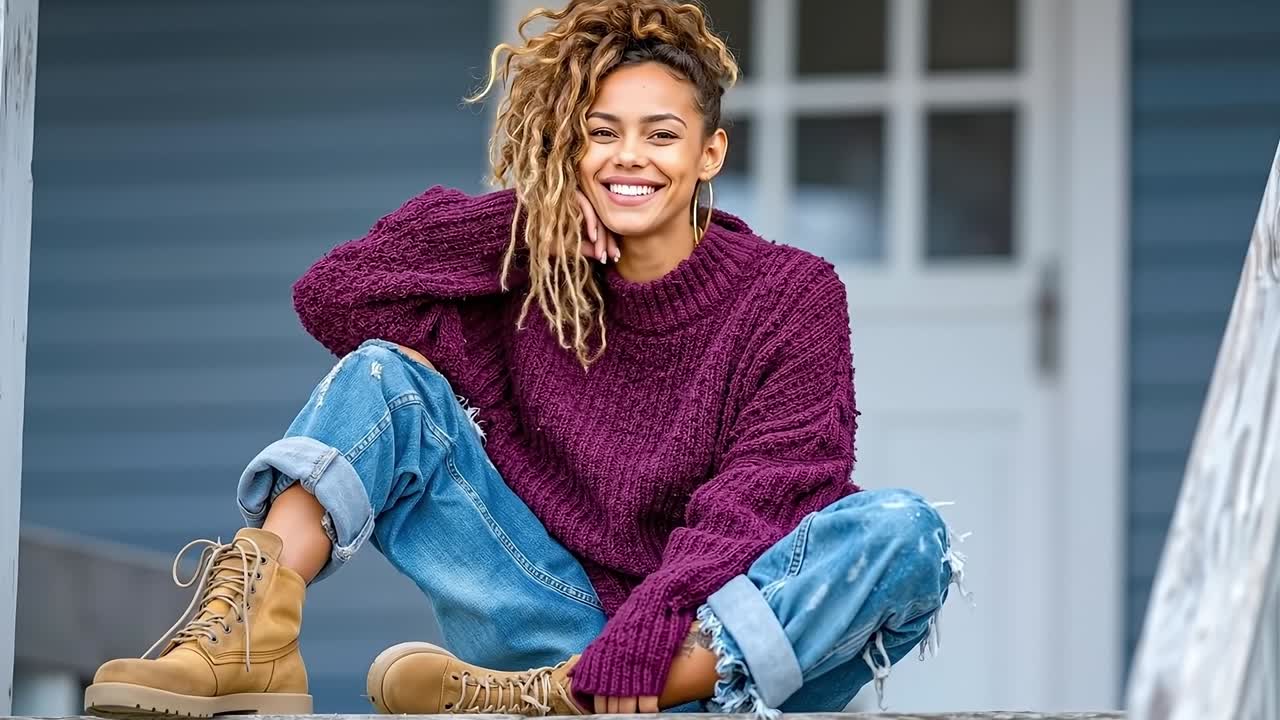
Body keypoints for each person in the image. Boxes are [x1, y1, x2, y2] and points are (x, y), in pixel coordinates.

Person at [83, 1, 964, 717]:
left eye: (661, 135)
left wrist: (655, 625)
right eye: (601, 133)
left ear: (710, 153)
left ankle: (588, 699)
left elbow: (769, 489)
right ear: (572, 147)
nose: (629, 157)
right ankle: (247, 641)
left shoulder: (790, 293)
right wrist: (520, 223)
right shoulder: (526, 271)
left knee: (904, 531)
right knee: (385, 373)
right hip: (544, 615)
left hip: (708, 645)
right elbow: (334, 295)